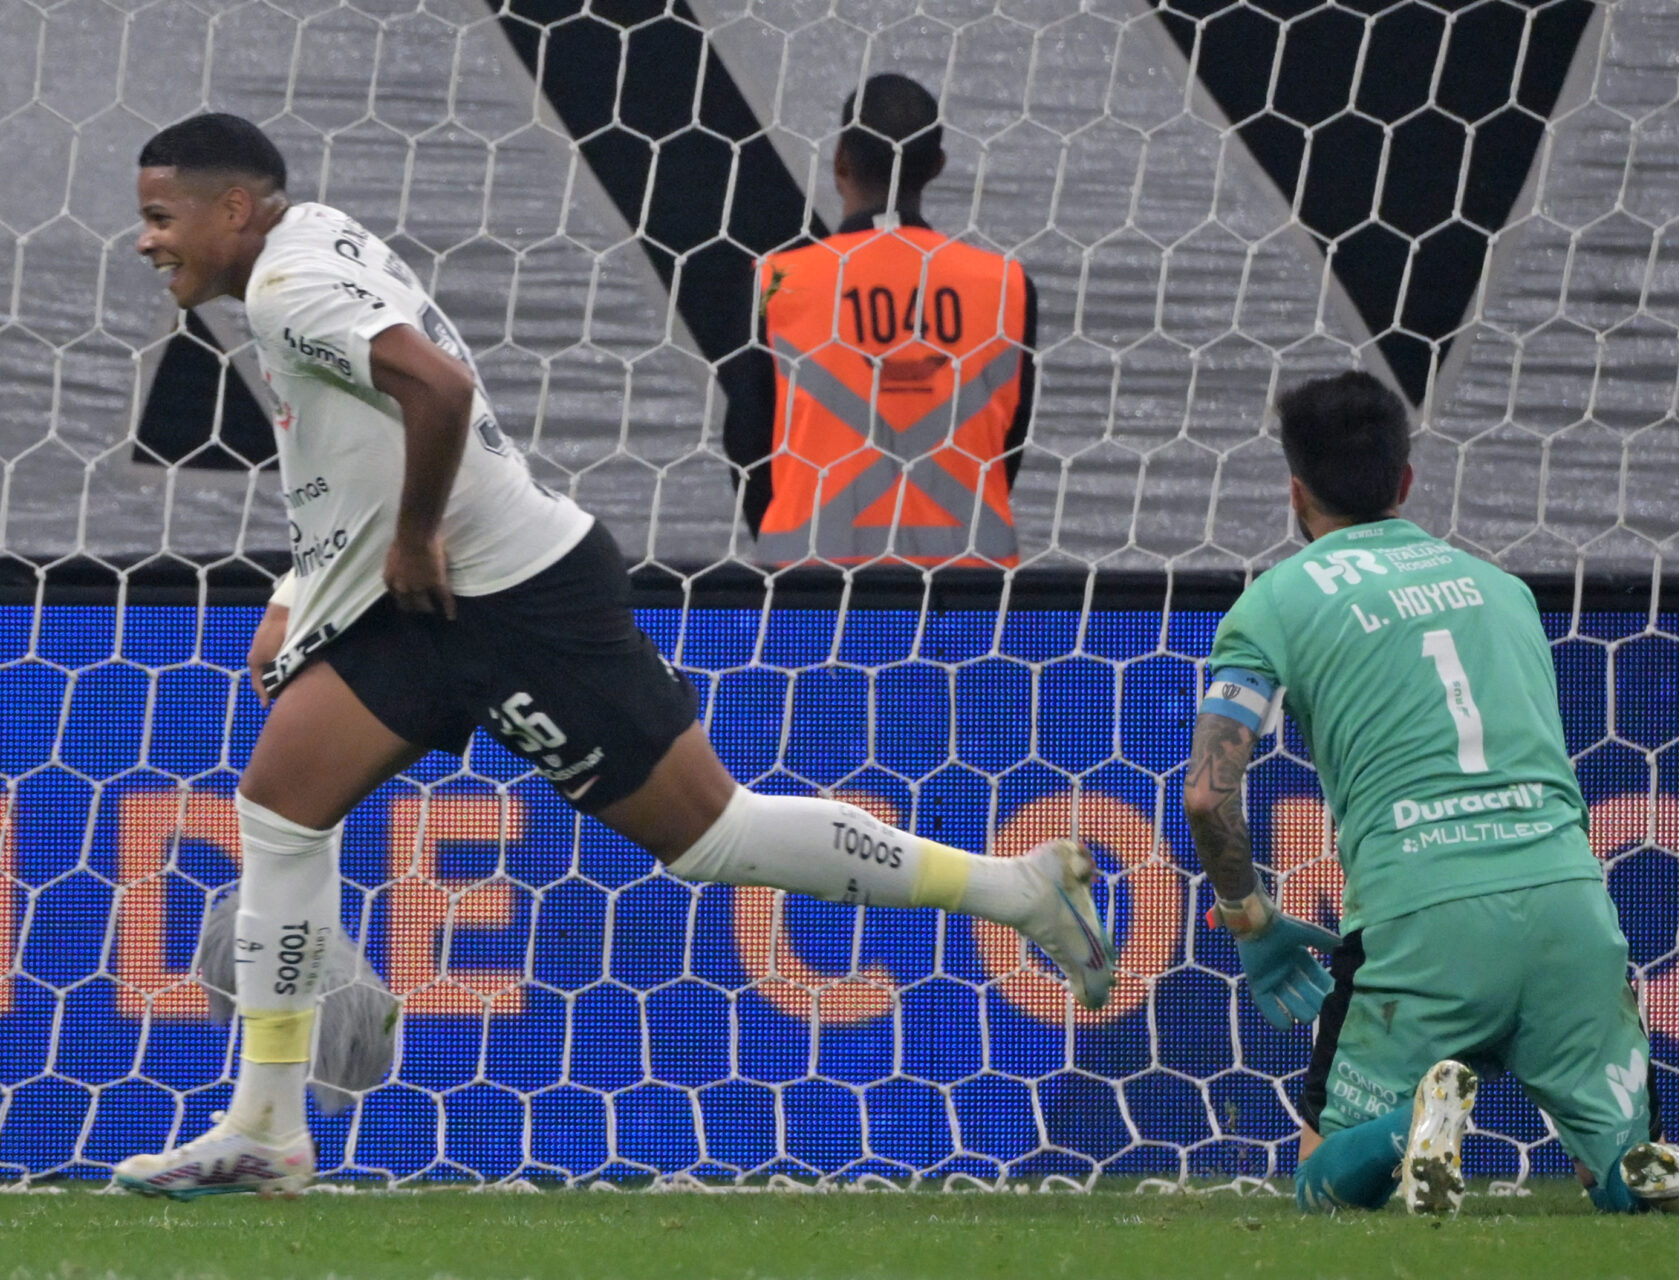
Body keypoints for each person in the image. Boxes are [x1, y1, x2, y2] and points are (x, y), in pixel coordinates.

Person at [115, 113, 1114, 1199]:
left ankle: (1011, 887)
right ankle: (266, 1122)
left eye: (161, 217)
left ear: (233, 210)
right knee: (278, 807)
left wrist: (410, 539)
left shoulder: (286, 286)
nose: (146, 240)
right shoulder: (307, 242)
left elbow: (440, 391)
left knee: (714, 834)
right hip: (422, 609)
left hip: (516, 602)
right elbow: (355, 439)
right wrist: (299, 588)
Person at [1184, 371, 1679, 1216]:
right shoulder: (1503, 592)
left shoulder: (1275, 604)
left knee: (1321, 1187)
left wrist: (1248, 916)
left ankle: (1412, 1129)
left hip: (1422, 922)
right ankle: (1647, 1167)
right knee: (1620, 1183)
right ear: (1406, 482)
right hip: (1570, 909)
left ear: (1296, 492)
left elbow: (1208, 797)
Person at [721, 73, 1037, 568]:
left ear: (840, 159)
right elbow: (1008, 442)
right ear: (937, 166)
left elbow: (746, 443)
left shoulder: (777, 282)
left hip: (811, 583)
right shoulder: (1006, 285)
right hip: (969, 588)